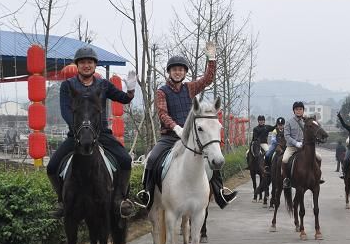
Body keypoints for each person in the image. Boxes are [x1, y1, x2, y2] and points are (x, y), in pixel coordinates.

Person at [139, 41, 237, 210]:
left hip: (191, 137)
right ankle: (147, 194)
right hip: (169, 137)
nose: (178, 72)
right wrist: (175, 127)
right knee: (152, 159)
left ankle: (220, 192)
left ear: (185, 72)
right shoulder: (162, 91)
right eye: (175, 69)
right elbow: (162, 113)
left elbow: (207, 79)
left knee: (213, 157)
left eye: (181, 70)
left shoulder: (189, 88)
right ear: (169, 72)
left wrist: (211, 59)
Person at [46, 45, 138, 218]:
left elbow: (124, 99)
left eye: (90, 62)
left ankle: (120, 199)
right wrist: (79, 131)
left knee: (125, 160)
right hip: (77, 135)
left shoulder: (103, 85)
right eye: (83, 62)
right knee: (51, 167)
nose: (86, 65)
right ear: (77, 65)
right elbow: (66, 111)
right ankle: (62, 201)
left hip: (101, 133)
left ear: (95, 65)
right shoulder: (67, 85)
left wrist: (131, 90)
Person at [282, 101, 325, 189]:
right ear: (294, 111)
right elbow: (286, 136)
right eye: (297, 109)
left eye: (300, 109)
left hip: (305, 147)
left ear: (303, 110)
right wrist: (296, 143)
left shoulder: (307, 121)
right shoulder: (289, 122)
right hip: (292, 147)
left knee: (319, 157)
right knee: (285, 159)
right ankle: (287, 179)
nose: (299, 111)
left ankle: (317, 176)